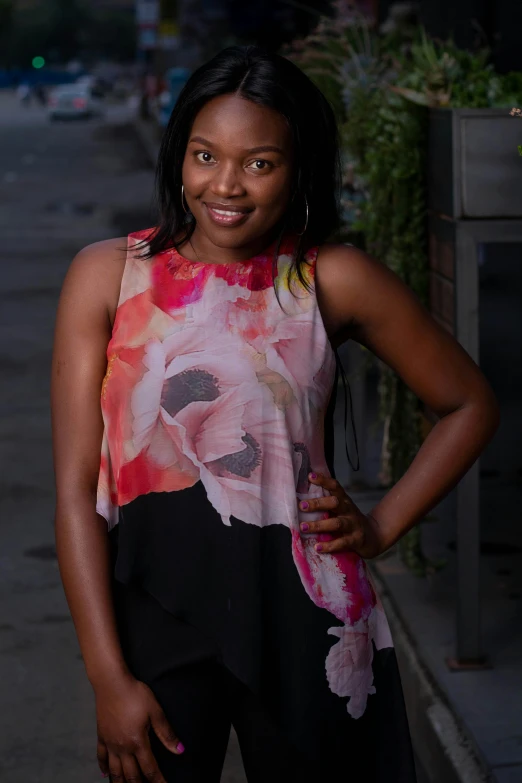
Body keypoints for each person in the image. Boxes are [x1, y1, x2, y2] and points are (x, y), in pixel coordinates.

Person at [51, 45, 499, 783]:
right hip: (155, 616)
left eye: (259, 162)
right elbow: (75, 494)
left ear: (298, 168)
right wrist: (106, 674)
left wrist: (383, 524)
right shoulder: (107, 276)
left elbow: (470, 402)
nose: (225, 186)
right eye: (204, 155)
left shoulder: (335, 278)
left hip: (308, 616)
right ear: (179, 155)